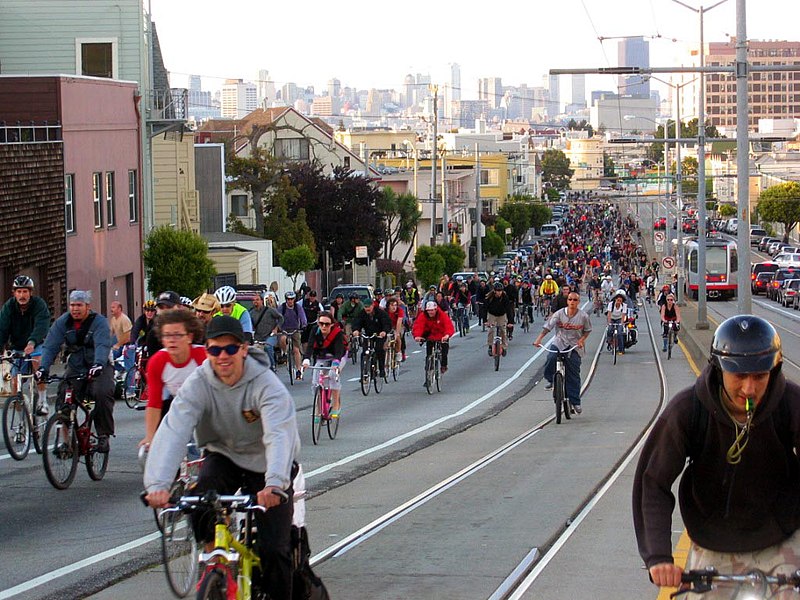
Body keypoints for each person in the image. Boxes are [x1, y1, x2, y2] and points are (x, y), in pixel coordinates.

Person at [633, 315, 800, 596]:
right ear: (718, 368)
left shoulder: (792, 404)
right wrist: (658, 557)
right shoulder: (687, 410)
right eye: (739, 376)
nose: (749, 389)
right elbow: (653, 482)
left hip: (781, 538)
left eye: (759, 376)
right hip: (712, 544)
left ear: (775, 369)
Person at [144, 316, 300, 599]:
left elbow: (279, 434)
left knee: (274, 552)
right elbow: (175, 428)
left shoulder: (265, 384)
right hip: (223, 455)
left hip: (267, 464)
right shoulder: (199, 383)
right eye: (215, 350)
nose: (223, 356)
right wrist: (158, 483)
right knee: (199, 500)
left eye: (230, 349)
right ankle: (215, 559)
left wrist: (275, 482)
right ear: (207, 352)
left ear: (243, 349)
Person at [35, 290, 114, 452]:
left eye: (79, 305)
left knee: (102, 392)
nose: (75, 309)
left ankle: (103, 435)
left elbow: (102, 345)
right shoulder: (62, 323)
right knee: (64, 396)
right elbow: (50, 346)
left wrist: (98, 364)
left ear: (87, 306)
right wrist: (43, 368)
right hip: (76, 365)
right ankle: (66, 442)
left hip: (99, 364)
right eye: (72, 305)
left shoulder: (99, 322)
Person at [139, 309, 206, 447]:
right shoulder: (158, 361)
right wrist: (150, 436)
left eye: (177, 335)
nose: (172, 341)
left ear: (189, 337)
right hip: (178, 405)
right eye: (167, 336)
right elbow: (154, 402)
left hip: (207, 407)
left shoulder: (203, 357)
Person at [533, 290, 591, 414]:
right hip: (559, 342)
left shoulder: (583, 316)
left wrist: (581, 340)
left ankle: (575, 401)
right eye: (570, 299)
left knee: (573, 373)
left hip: (574, 346)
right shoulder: (559, 314)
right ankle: (551, 380)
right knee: (551, 358)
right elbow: (548, 326)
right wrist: (539, 339)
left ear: (578, 302)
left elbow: (587, 331)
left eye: (575, 300)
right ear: (567, 301)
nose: (572, 302)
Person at [0, 275, 51, 412]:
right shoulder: (8, 307)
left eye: (25, 291)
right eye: (19, 291)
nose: (22, 295)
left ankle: (42, 400)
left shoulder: (39, 305)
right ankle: (23, 422)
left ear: (30, 292)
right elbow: (2, 329)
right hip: (17, 347)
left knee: (37, 362)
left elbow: (41, 325)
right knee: (15, 384)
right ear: (14, 293)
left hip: (36, 343)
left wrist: (32, 342)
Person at [301, 313, 347, 418]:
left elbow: (339, 351)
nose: (324, 326)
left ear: (331, 324)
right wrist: (306, 359)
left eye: (327, 324)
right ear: (318, 323)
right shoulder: (314, 331)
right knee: (316, 381)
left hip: (337, 356)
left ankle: (336, 406)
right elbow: (310, 346)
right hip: (321, 356)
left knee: (332, 375)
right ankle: (318, 409)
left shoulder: (337, 333)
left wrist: (336, 364)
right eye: (321, 324)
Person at [351, 300, 391, 378]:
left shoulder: (380, 313)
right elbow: (357, 322)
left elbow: (386, 323)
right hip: (368, 334)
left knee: (379, 349)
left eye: (368, 307)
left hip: (380, 334)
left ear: (372, 306)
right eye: (365, 307)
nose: (367, 309)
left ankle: (381, 369)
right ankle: (364, 373)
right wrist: (356, 330)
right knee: (364, 352)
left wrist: (384, 331)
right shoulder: (362, 314)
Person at [412, 300, 454, 376]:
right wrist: (417, 335)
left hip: (442, 335)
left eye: (432, 310)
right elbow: (419, 325)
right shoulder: (423, 315)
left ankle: (443, 365)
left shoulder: (442, 315)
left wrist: (447, 335)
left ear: (435, 309)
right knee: (429, 353)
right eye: (429, 311)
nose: (430, 312)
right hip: (430, 335)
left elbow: (448, 326)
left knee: (444, 349)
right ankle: (429, 371)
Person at [250, 292, 284, 370]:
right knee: (253, 351)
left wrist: (276, 328)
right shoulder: (251, 313)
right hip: (258, 337)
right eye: (254, 300)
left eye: (257, 300)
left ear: (262, 301)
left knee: (268, 347)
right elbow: (249, 325)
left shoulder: (270, 310)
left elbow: (280, 318)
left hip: (270, 335)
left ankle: (272, 366)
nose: (255, 302)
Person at [278, 291, 307, 380]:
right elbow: (277, 317)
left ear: (294, 299)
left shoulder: (298, 308)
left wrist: (304, 325)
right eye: (288, 299)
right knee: (282, 339)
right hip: (285, 329)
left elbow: (303, 317)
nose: (290, 301)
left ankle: (298, 370)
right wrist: (277, 327)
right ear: (286, 300)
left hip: (295, 330)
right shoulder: (282, 307)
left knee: (296, 350)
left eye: (291, 299)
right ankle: (284, 352)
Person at [480, 282, 515, 357]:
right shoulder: (489, 297)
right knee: (491, 330)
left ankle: (504, 347)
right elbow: (484, 309)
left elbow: (509, 309)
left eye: (500, 291)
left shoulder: (504, 297)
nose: (499, 293)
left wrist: (510, 322)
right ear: (494, 291)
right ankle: (490, 346)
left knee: (503, 330)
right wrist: (485, 321)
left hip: (501, 315)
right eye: (497, 291)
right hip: (492, 314)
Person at [109, 300, 134, 371]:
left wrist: (118, 345)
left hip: (128, 345)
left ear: (119, 309)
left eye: (113, 307)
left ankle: (130, 378)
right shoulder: (113, 319)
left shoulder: (124, 319)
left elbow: (128, 336)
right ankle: (121, 370)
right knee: (109, 358)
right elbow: (110, 333)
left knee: (129, 366)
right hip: (120, 344)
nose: (111, 309)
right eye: (111, 307)